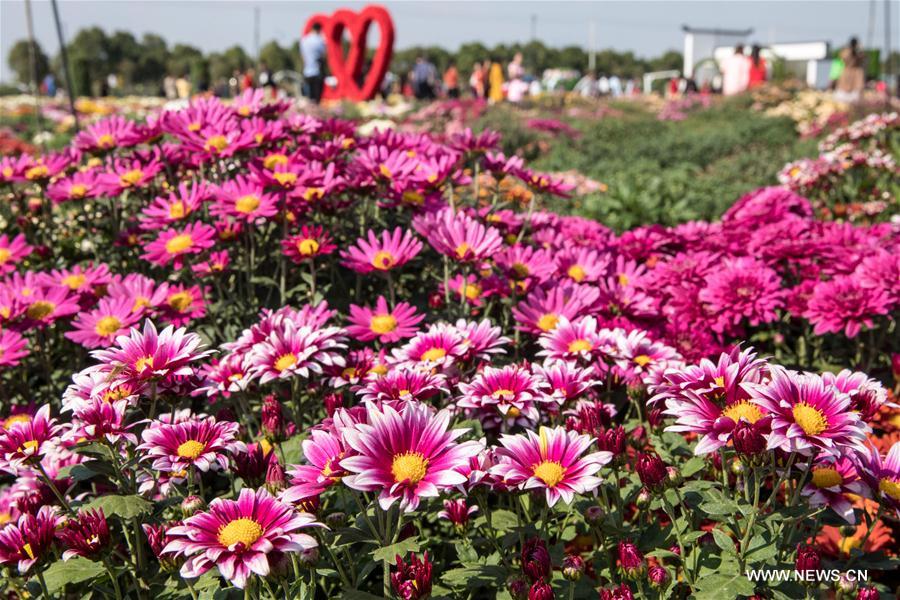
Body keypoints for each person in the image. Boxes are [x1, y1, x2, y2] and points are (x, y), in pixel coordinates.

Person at [301, 23, 327, 103]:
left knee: (309, 97)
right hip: (317, 72)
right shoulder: (320, 40)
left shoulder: (304, 40)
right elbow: (323, 55)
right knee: (317, 97)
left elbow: (303, 56)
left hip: (307, 71)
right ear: (319, 30)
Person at [836, 37, 865, 103]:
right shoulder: (852, 52)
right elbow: (863, 57)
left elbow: (841, 56)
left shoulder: (847, 52)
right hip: (852, 76)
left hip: (848, 76)